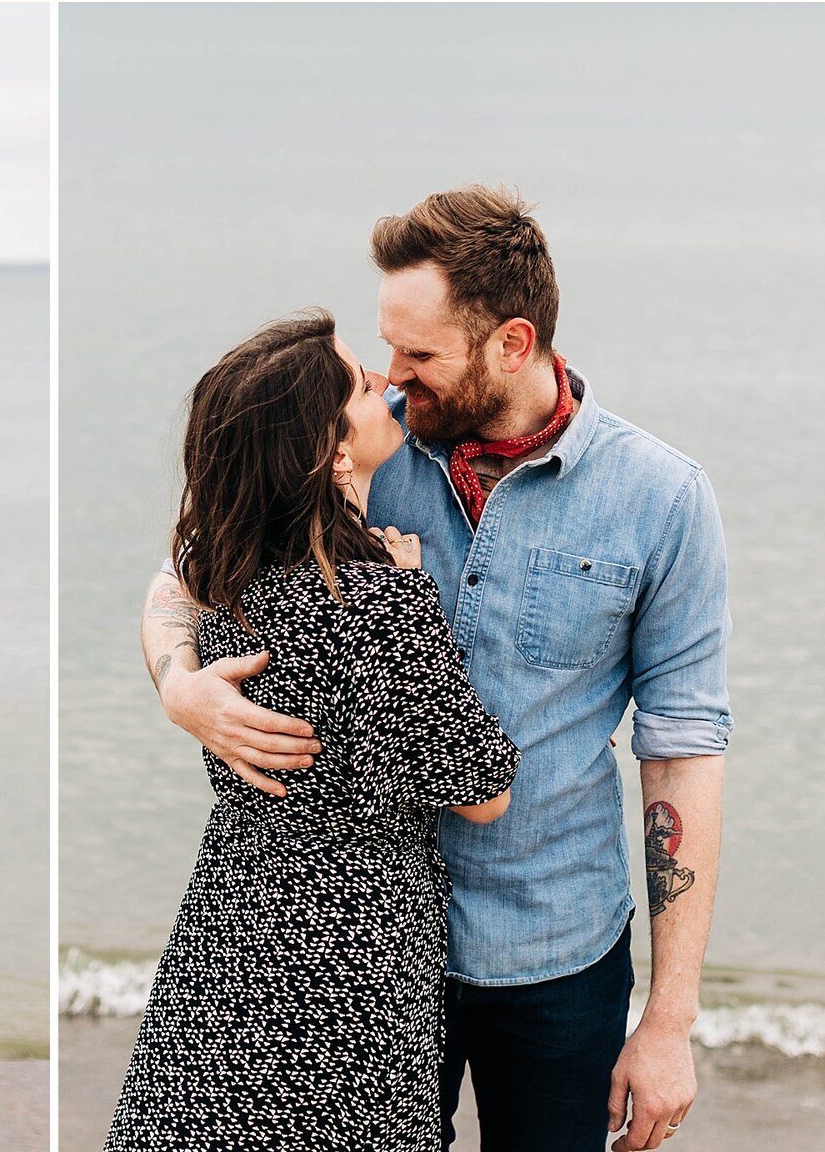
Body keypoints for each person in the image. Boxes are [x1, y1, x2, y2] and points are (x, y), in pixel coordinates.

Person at [142, 190, 732, 1152]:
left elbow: (685, 748)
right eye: (386, 348)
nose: (394, 379)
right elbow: (187, 571)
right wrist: (179, 685)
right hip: (362, 962)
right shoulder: (359, 448)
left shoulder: (660, 497)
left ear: (511, 341)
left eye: (418, 355)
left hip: (554, 949)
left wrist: (669, 1023)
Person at [106, 313, 519, 1151]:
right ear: (331, 451)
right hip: (355, 956)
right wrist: (418, 609)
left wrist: (177, 684)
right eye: (366, 387)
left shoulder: (222, 574)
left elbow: (169, 589)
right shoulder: (384, 604)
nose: (390, 387)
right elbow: (484, 794)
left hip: (231, 923)